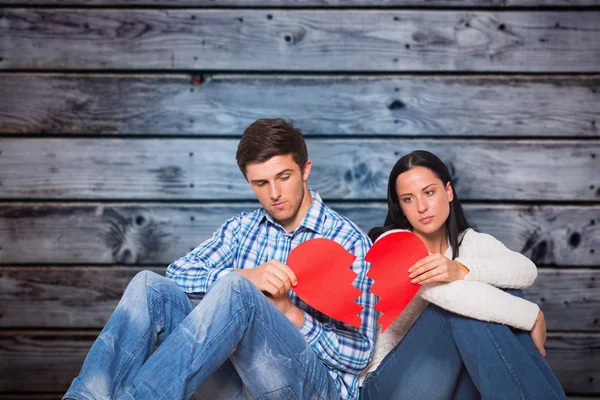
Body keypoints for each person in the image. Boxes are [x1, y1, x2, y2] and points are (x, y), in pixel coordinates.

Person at [63, 118, 377, 400]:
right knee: (151, 287)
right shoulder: (242, 229)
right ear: (248, 182)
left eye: (284, 177)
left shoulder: (348, 241)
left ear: (305, 170)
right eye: (261, 183)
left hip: (310, 390)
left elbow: (361, 355)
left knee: (237, 291)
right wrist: (247, 275)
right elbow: (178, 274)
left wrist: (291, 313)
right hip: (239, 385)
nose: (275, 193)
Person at [360, 150, 566, 400]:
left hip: (449, 378)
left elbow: (525, 270)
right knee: (463, 308)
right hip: (387, 385)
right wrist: (530, 315)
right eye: (408, 199)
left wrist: (463, 269)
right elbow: (450, 298)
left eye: (429, 192)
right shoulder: (394, 244)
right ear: (401, 208)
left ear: (448, 191)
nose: (422, 207)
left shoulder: (469, 243)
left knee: (501, 291)